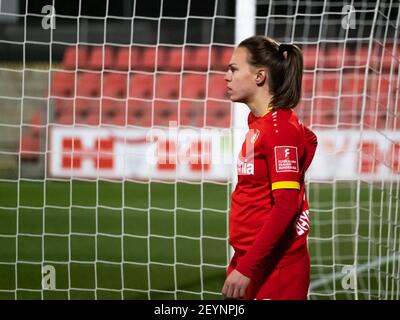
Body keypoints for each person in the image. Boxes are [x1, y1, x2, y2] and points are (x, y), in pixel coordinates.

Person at [221, 35, 318, 300]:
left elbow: (285, 206)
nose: (226, 76)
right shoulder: (262, 123)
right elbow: (310, 138)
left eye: (234, 69)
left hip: (275, 268)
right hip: (252, 260)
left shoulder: (279, 128)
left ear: (259, 76)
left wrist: (248, 268)